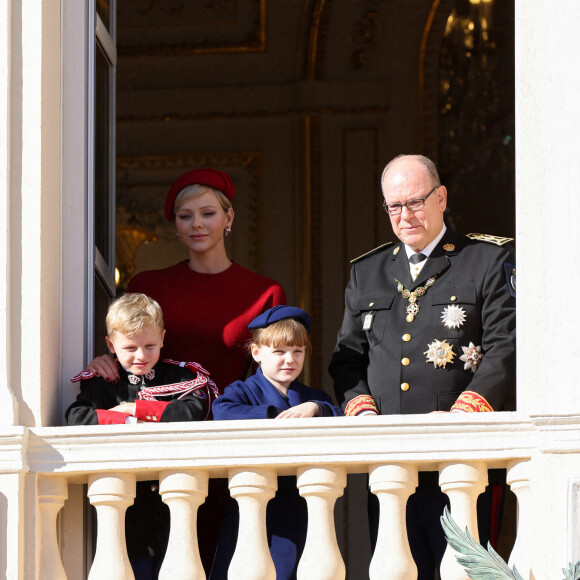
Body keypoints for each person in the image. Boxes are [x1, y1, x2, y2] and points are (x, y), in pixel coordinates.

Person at [82, 168, 286, 573]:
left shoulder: (264, 292)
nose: (197, 224)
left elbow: (275, 373)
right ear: (174, 225)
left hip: (229, 437)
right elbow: (127, 349)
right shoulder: (148, 286)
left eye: (208, 213)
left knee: (226, 558)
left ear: (229, 218)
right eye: (185, 215)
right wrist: (102, 362)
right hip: (159, 436)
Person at [328, 154, 516, 578]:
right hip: (391, 460)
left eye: (414, 202)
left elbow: (506, 345)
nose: (404, 215)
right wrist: (362, 409)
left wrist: (462, 416)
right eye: (394, 206)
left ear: (441, 197)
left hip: (464, 455)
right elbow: (347, 358)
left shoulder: (485, 259)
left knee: (468, 572)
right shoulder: (368, 271)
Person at [66, 293, 216, 578]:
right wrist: (127, 417)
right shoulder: (104, 383)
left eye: (150, 346)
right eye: (130, 347)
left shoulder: (178, 377)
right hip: (126, 498)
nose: (141, 356)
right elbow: (77, 417)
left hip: (172, 492)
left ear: (163, 338)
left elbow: (193, 410)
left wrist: (135, 406)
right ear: (111, 345)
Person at [209, 305, 343, 580]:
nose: (289, 359)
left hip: (302, 508)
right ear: (256, 353)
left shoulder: (313, 396)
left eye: (298, 351)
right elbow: (222, 411)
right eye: (279, 352)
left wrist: (316, 408)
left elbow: (340, 415)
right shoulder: (243, 390)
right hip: (255, 509)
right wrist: (272, 415)